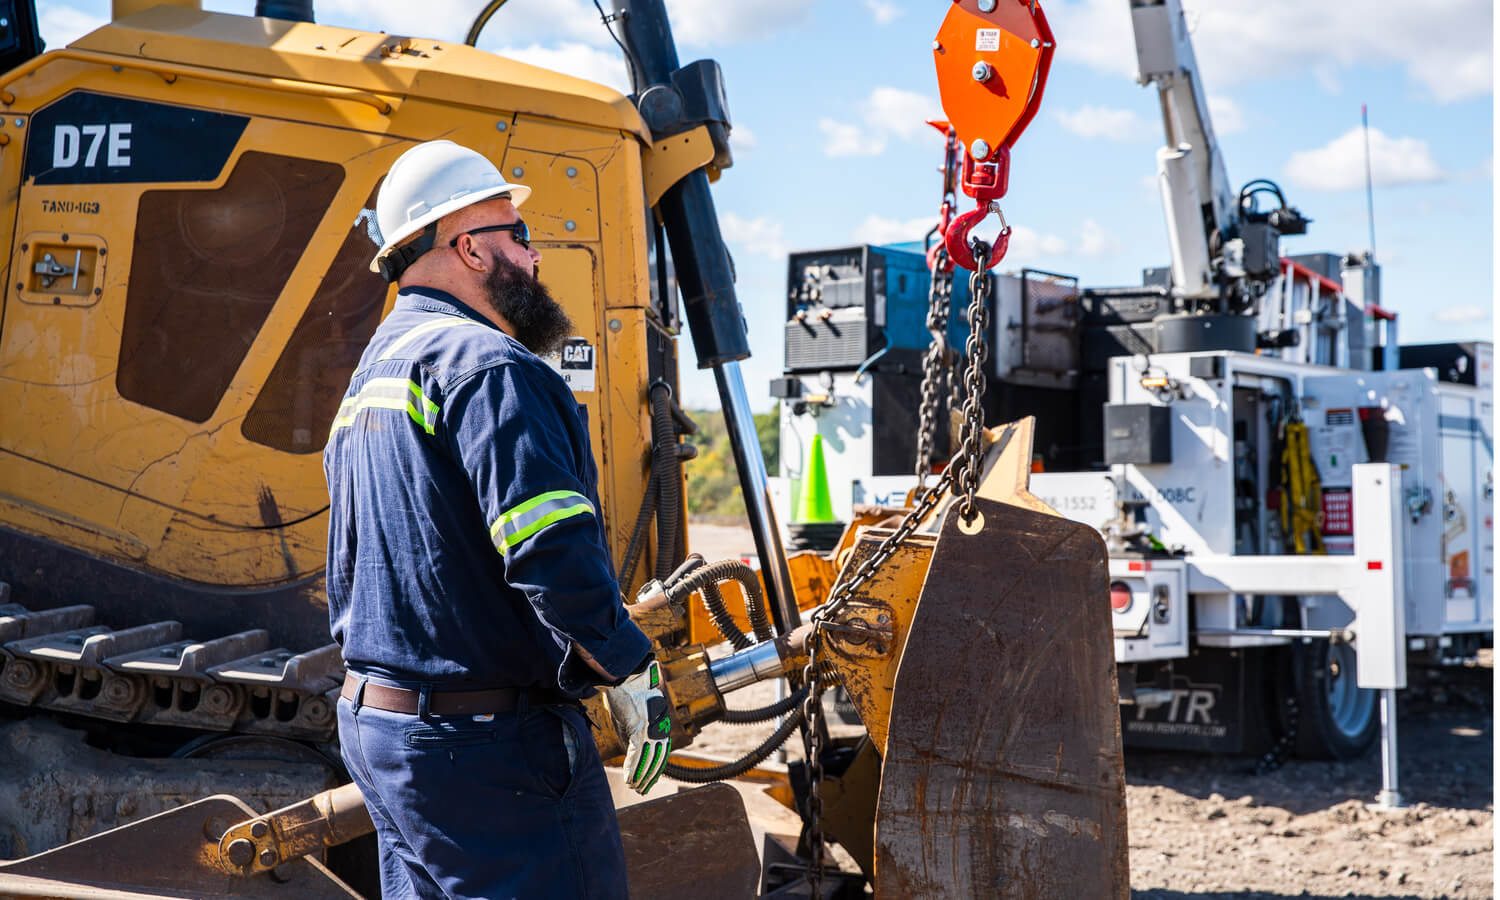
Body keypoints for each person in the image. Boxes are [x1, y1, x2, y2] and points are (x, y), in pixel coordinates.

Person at [324, 140, 672, 900]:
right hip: (488, 753)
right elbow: (547, 544)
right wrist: (628, 663)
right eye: (517, 234)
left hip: (382, 731)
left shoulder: (373, 372)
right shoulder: (490, 367)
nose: (535, 254)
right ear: (471, 248)